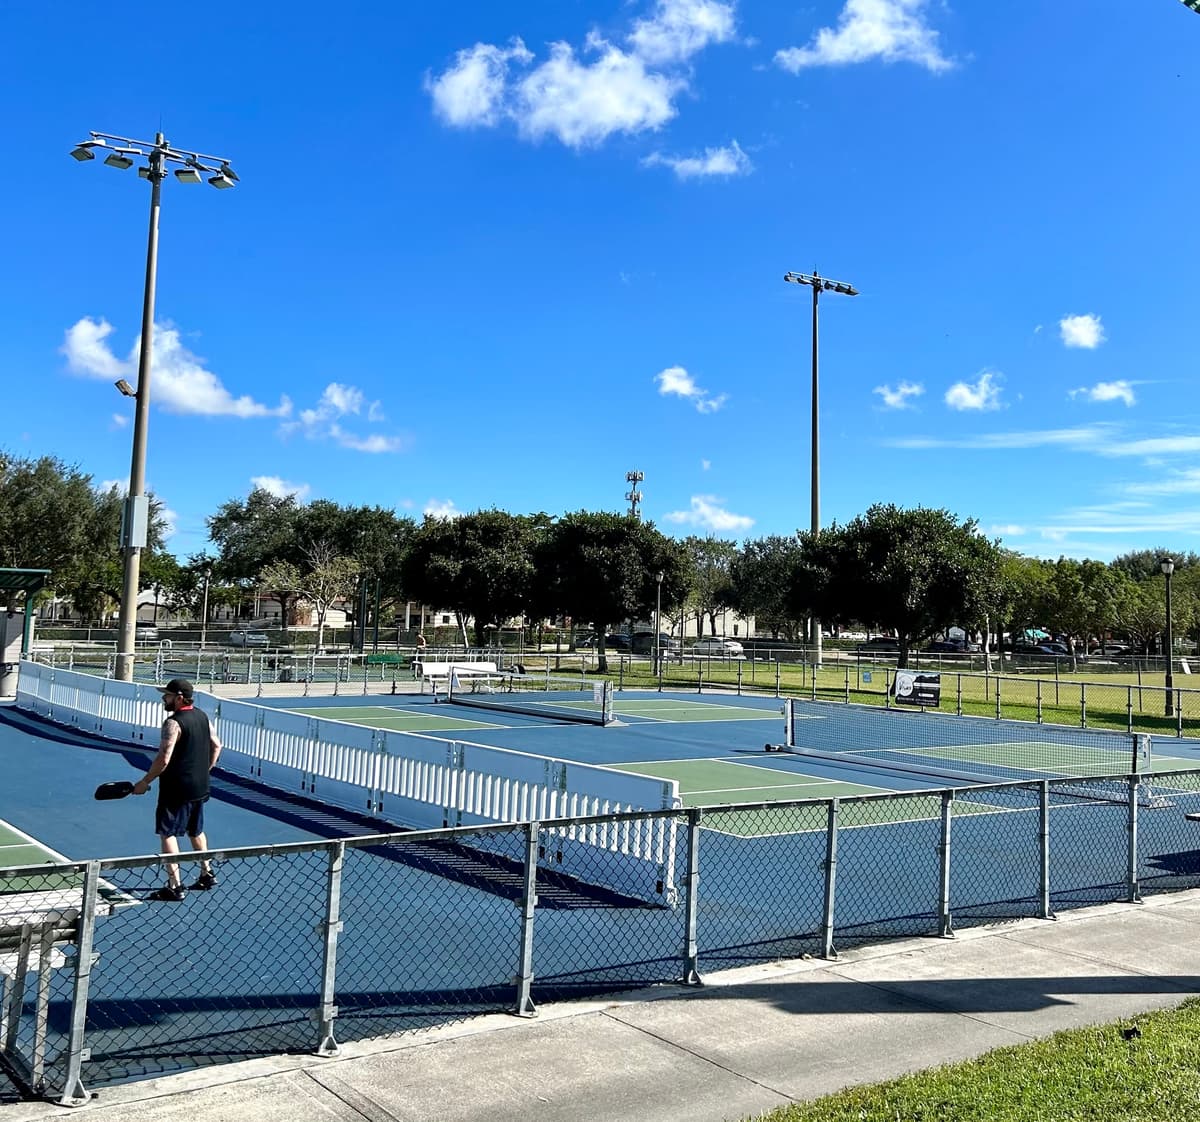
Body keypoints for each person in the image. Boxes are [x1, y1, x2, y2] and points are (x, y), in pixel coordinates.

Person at [132, 678, 222, 902]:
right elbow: (217, 745)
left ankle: (175, 885)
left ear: (179, 698)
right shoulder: (202, 716)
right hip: (199, 786)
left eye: (168, 695)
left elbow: (164, 758)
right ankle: (206, 873)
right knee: (195, 830)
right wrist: (204, 770)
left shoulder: (173, 723)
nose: (164, 698)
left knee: (168, 833)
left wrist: (145, 781)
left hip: (176, 787)